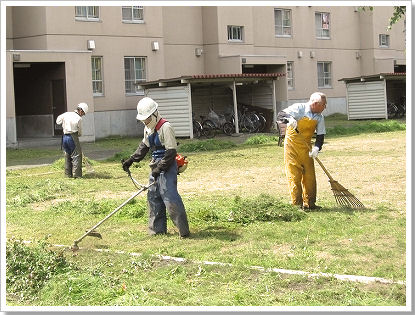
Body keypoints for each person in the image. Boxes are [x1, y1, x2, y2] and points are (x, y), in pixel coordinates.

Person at [122, 97, 190, 238]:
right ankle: (157, 230)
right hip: (155, 165)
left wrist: (160, 168)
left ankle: (183, 231)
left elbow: (171, 152)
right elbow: (144, 147)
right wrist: (131, 160)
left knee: (169, 197)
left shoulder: (166, 127)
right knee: (153, 196)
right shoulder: (148, 128)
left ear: (154, 114)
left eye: (146, 119)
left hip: (167, 164)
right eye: (143, 120)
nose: (145, 122)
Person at [277, 92, 327, 210]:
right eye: (324, 105)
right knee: (294, 176)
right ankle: (297, 204)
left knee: (309, 176)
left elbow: (320, 136)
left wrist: (317, 148)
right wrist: (289, 119)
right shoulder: (299, 108)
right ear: (315, 104)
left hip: (307, 149)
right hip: (292, 147)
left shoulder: (319, 117)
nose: (325, 108)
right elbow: (280, 116)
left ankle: (310, 204)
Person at [56, 102, 88, 178]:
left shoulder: (66, 114)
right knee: (77, 155)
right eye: (83, 113)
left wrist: (64, 124)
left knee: (67, 155)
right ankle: (77, 175)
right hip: (72, 137)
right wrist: (78, 135)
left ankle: (68, 174)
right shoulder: (79, 118)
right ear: (81, 111)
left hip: (64, 137)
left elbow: (58, 121)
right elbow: (79, 131)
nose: (82, 115)